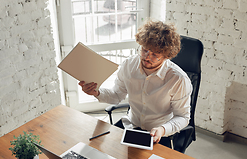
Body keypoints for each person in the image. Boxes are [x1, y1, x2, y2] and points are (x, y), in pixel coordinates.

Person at [79, 20, 192, 148]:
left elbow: (182, 117)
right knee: (97, 148)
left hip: (159, 134)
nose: (147, 57)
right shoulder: (128, 65)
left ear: (167, 56)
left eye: (155, 55)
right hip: (130, 125)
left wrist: (162, 129)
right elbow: (116, 95)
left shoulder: (178, 79)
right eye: (144, 50)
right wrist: (97, 93)